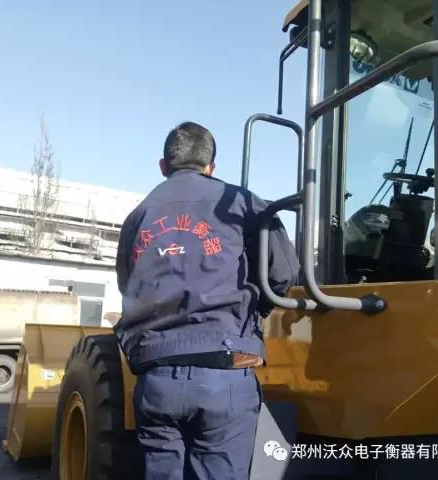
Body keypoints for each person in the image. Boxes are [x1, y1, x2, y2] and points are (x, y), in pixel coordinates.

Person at [114, 121, 299, 480]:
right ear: (211, 166)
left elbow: (127, 284)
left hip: (156, 376)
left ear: (163, 166)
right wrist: (253, 311)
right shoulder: (243, 204)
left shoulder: (137, 217)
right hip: (224, 371)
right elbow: (284, 272)